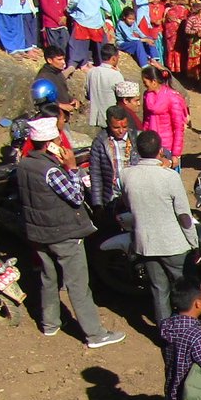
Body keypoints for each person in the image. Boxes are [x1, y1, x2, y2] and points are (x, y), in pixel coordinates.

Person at [17, 115, 124, 348]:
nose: (61, 142)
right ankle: (95, 334)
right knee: (78, 285)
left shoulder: (24, 164)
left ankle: (50, 323)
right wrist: (72, 168)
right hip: (63, 234)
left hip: (38, 232)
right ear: (49, 144)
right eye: (57, 139)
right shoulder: (51, 171)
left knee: (48, 278)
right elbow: (75, 197)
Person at [124, 129, 199, 329]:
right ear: (160, 151)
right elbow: (184, 216)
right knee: (186, 291)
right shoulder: (170, 177)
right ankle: (188, 331)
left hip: (146, 244)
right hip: (174, 245)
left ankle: (166, 334)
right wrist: (194, 242)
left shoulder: (127, 176)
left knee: (159, 290)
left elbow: (128, 205)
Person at [87, 105, 133, 224]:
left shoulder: (136, 139)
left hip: (133, 193)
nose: (121, 131)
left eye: (124, 127)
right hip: (112, 195)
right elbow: (95, 174)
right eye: (116, 127)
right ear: (108, 123)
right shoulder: (100, 142)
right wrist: (97, 204)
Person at [141, 66, 187, 164]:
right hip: (151, 145)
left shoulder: (172, 97)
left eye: (145, 82)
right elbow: (146, 121)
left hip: (167, 147)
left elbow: (178, 128)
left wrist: (176, 154)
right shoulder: (147, 96)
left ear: (154, 81)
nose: (144, 85)